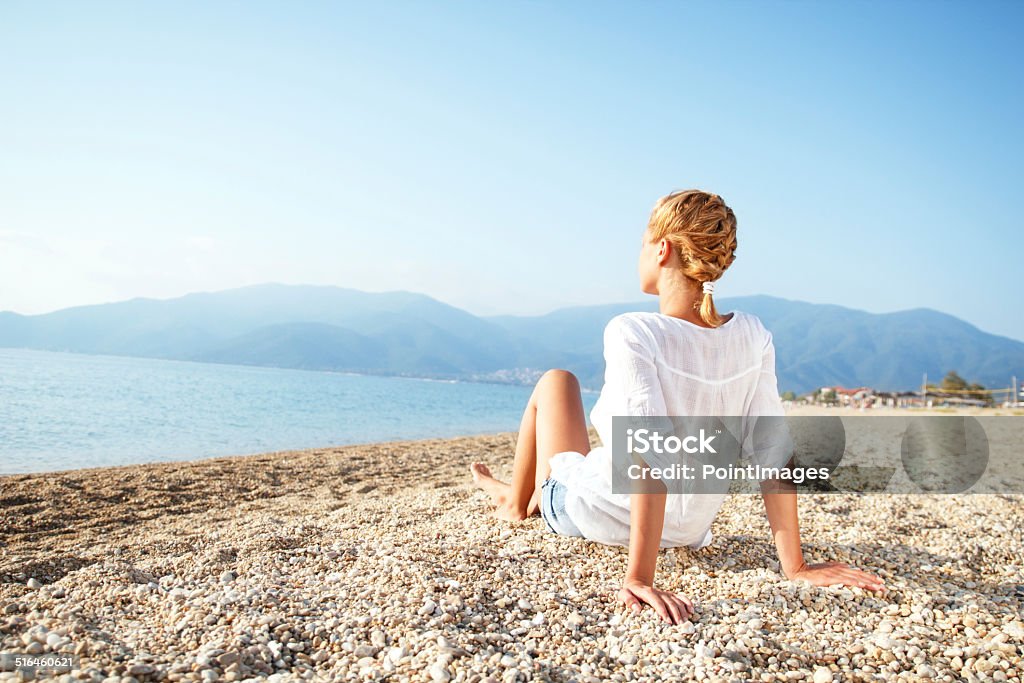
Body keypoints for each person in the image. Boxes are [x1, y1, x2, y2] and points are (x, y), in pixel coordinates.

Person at [469, 189, 885, 625]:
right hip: (686, 531)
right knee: (587, 458)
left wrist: (640, 578)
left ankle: (513, 503)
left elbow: (647, 456)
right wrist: (795, 567)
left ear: (662, 249)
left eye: (643, 244)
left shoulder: (633, 331)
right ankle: (510, 490)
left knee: (557, 383)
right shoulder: (753, 335)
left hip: (603, 515)